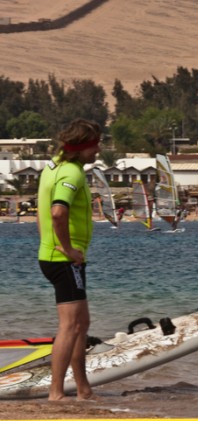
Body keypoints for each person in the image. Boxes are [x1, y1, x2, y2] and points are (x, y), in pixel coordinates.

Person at [37, 118, 102, 401]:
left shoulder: (53, 167)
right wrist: (66, 248)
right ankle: (56, 393)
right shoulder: (71, 174)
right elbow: (57, 213)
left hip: (56, 256)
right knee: (71, 325)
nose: (98, 150)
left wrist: (49, 244)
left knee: (81, 323)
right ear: (82, 148)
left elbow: (45, 215)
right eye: (95, 145)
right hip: (64, 260)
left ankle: (83, 388)